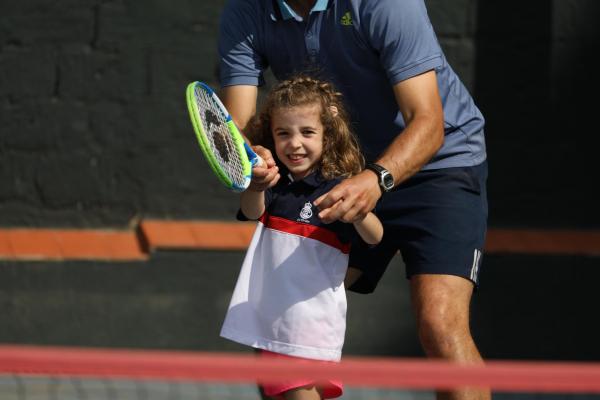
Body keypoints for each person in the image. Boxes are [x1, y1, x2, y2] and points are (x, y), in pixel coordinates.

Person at [217, 1, 490, 400]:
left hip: (439, 166)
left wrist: (375, 179)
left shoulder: (385, 5)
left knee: (439, 323)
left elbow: (429, 123)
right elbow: (240, 132)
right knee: (281, 323)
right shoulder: (246, 11)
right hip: (337, 173)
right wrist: (252, 161)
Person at [220, 76, 383, 400]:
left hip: (306, 330)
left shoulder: (337, 188)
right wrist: (256, 184)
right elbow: (253, 212)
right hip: (272, 325)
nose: (295, 143)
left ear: (328, 134)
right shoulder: (275, 184)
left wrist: (359, 211)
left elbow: (376, 237)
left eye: (307, 132)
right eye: (284, 133)